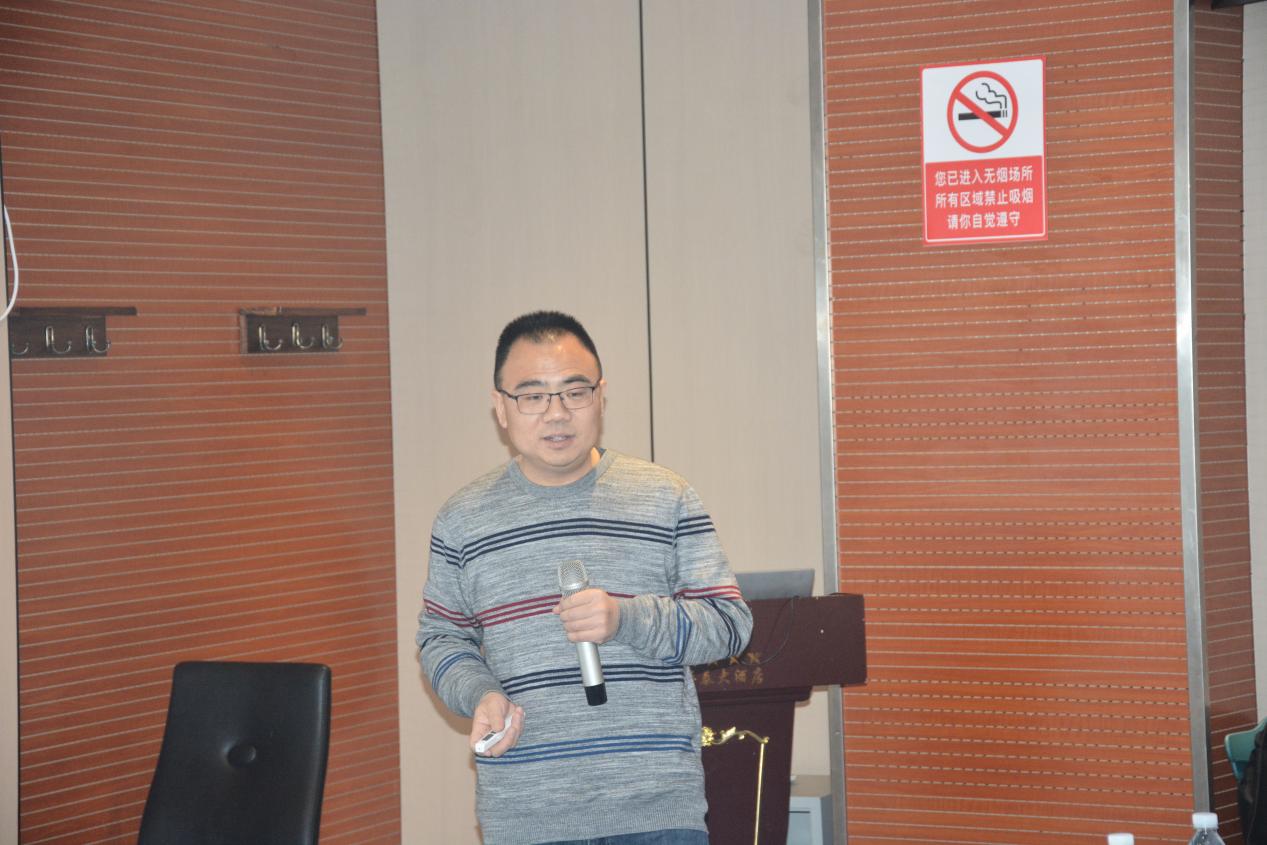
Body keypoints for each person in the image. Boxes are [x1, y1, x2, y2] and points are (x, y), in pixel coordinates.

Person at [417, 310, 753, 844]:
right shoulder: (463, 519)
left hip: (657, 812)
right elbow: (441, 638)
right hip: (527, 813)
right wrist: (480, 693)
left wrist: (626, 619)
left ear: (601, 396)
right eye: (532, 396)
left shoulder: (664, 497)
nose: (557, 413)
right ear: (500, 407)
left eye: (575, 392)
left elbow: (729, 624)